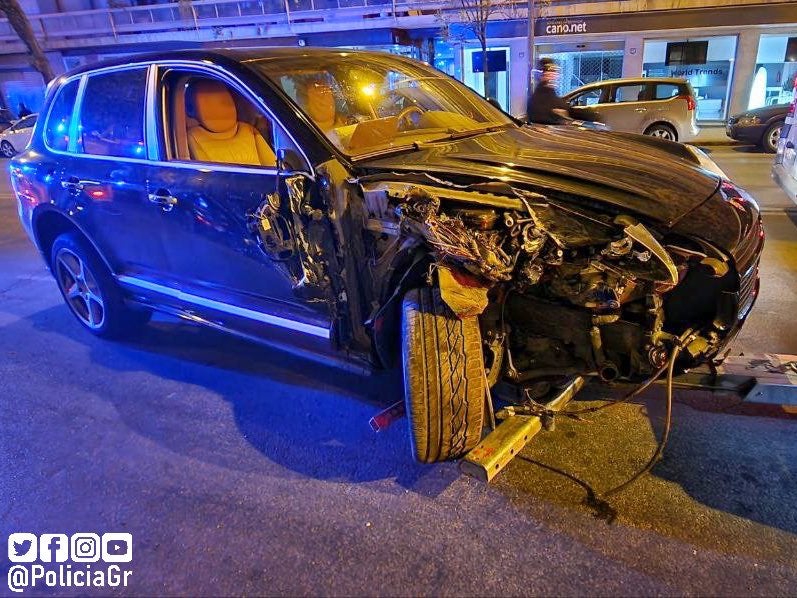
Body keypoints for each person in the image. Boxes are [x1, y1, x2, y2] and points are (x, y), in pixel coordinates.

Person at [526, 58, 570, 125]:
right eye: (550, 71)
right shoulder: (538, 96)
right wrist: (556, 112)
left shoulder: (550, 91)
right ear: (543, 74)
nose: (554, 74)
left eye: (554, 71)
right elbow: (539, 116)